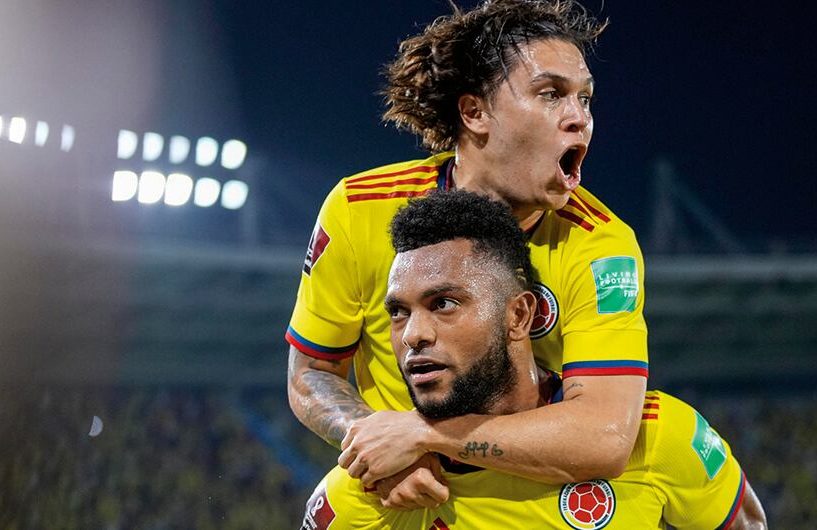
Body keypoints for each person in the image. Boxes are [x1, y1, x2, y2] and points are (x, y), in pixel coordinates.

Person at [287, 0, 648, 504]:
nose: (579, 119)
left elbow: (604, 435)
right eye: (550, 94)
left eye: (585, 99)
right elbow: (311, 372)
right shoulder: (358, 210)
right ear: (475, 112)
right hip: (402, 501)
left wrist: (422, 435)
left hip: (530, 503)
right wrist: (371, 441)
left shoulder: (599, 245)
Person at [301, 190, 767, 529]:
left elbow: (747, 522)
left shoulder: (662, 436)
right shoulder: (372, 494)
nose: (414, 335)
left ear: (519, 315)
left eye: (444, 303)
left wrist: (429, 434)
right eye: (398, 312)